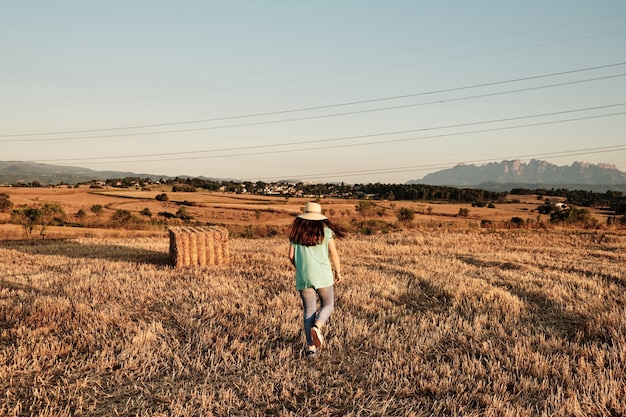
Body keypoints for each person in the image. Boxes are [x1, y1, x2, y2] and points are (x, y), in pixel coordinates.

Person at [288, 202, 345, 357]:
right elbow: (334, 254)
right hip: (323, 275)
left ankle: (310, 348)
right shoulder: (325, 231)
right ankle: (318, 326)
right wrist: (338, 271)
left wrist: (300, 268)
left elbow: (291, 256)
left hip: (303, 276)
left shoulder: (296, 232)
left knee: (309, 310)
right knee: (328, 304)